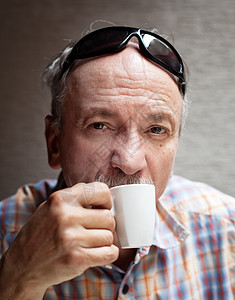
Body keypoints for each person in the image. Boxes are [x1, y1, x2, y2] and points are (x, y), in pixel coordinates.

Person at [0, 25, 234, 299]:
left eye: (157, 129)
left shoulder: (226, 227)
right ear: (54, 144)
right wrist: (17, 279)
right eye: (99, 125)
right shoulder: (7, 232)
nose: (129, 161)